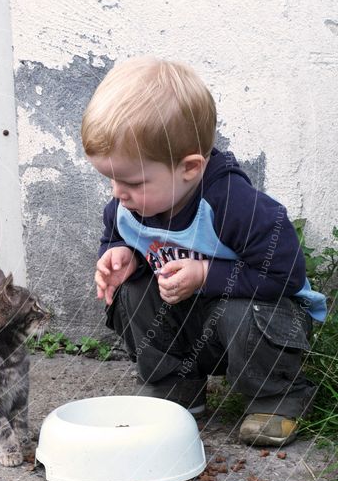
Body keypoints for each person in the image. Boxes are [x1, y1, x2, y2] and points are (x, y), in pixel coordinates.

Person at [81, 56, 327, 447]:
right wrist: (119, 253)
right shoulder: (129, 205)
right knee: (133, 292)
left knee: (244, 309)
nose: (116, 192)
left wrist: (205, 275)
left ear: (190, 168)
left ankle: (277, 396)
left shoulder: (234, 204)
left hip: (256, 324)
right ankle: (176, 388)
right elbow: (117, 232)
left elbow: (285, 278)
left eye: (130, 180)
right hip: (191, 324)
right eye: (109, 178)